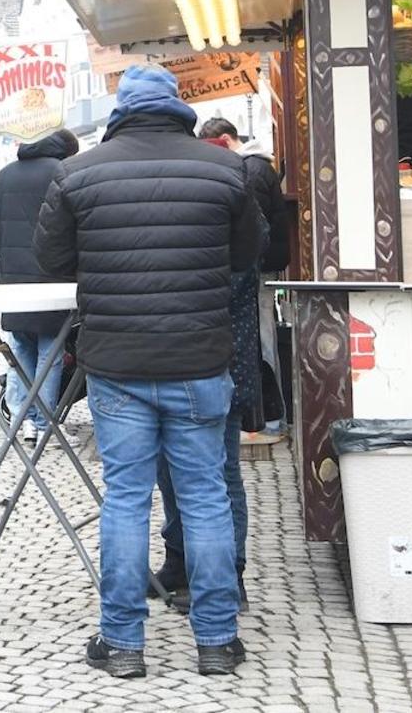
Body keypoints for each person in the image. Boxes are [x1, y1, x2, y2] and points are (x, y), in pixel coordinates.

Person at [35, 63, 262, 679]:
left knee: (126, 500)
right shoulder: (225, 168)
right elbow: (247, 254)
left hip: (117, 363)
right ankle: (216, 642)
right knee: (207, 497)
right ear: (179, 107)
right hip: (199, 358)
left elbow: (52, 258)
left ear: (119, 110)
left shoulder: (77, 173)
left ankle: (123, 644)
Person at [150, 116, 280, 610]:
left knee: (218, 472)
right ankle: (180, 562)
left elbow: (243, 265)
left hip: (219, 352)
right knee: (169, 470)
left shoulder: (232, 192)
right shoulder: (206, 191)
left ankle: (229, 577)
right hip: (188, 349)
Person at [0, 129, 79, 448]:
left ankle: (21, 419)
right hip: (52, 276)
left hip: (14, 278)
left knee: (20, 348)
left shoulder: (6, 173)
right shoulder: (60, 171)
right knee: (50, 353)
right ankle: (43, 423)